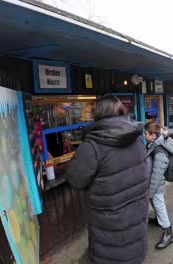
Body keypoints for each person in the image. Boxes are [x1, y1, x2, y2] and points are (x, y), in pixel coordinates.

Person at [65, 94, 149, 264]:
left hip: (109, 225)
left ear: (97, 114)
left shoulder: (92, 146)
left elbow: (75, 180)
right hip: (137, 214)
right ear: (120, 110)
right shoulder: (138, 139)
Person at [144, 122, 173, 249]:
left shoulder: (159, 149)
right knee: (155, 203)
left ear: (153, 135)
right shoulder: (154, 143)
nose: (144, 135)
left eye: (146, 133)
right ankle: (159, 220)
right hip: (153, 184)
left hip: (156, 185)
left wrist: (151, 190)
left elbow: (157, 173)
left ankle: (168, 233)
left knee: (159, 205)